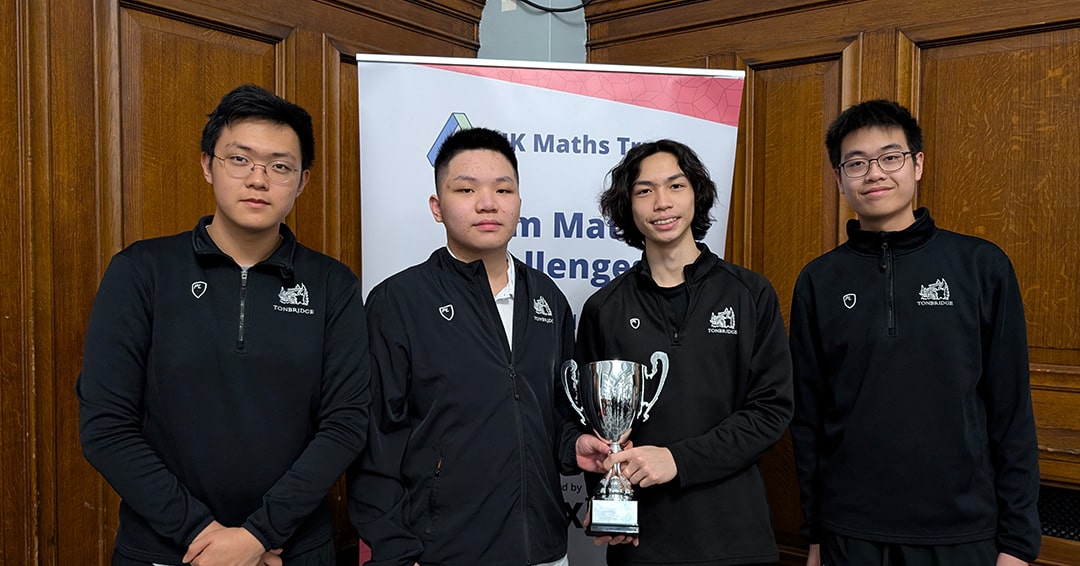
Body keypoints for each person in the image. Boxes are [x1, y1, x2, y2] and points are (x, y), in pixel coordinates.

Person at [77, 84, 371, 566]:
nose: (258, 179)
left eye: (280, 166)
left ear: (302, 182)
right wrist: (203, 536)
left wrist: (257, 536)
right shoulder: (142, 271)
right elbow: (106, 426)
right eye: (240, 159)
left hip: (290, 549)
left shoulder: (332, 285)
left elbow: (345, 424)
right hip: (166, 549)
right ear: (207, 165)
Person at [789, 99, 1041, 566]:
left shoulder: (981, 267)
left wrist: (1018, 545)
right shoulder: (818, 281)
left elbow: (1011, 412)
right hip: (850, 532)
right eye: (856, 163)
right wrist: (817, 534)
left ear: (917, 163)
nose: (874, 174)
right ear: (839, 179)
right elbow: (808, 421)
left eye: (890, 157)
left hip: (962, 532)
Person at [347, 127, 609, 566]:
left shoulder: (548, 298)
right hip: (440, 552)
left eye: (503, 189)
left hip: (544, 550)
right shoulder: (399, 301)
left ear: (519, 202)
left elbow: (559, 411)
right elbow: (375, 439)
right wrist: (395, 551)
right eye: (466, 189)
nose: (488, 203)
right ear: (437, 206)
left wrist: (574, 446)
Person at [574, 139, 794, 565]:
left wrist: (678, 460)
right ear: (628, 205)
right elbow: (588, 424)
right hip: (643, 543)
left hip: (736, 539)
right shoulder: (604, 308)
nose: (662, 202)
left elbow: (771, 411)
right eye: (645, 190)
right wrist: (607, 506)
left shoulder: (749, 294)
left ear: (696, 194)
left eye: (675, 186)